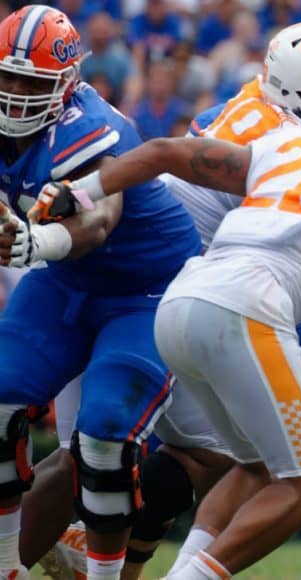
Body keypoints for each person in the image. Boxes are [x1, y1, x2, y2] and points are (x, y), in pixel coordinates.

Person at [35, 79, 301, 577]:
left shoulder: (290, 147)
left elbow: (165, 151)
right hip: (247, 312)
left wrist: (82, 189)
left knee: (251, 466)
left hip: (179, 301)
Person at [0, 6, 202, 580]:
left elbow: (99, 222)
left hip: (147, 290)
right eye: (6, 78)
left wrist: (36, 243)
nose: (14, 94)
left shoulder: (87, 125)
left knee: (105, 435)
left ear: (64, 84)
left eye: (29, 82)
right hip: (67, 285)